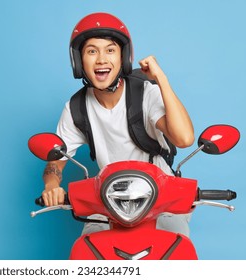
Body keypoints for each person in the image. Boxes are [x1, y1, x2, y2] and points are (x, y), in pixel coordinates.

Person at [41, 12, 195, 236]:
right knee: (87, 252)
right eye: (92, 51)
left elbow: (184, 139)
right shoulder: (76, 109)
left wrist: (161, 78)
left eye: (110, 50)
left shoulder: (146, 94)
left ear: (123, 57)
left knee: (176, 251)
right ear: (78, 60)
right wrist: (51, 185)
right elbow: (55, 162)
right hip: (109, 200)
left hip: (161, 197)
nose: (101, 59)